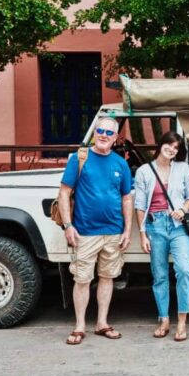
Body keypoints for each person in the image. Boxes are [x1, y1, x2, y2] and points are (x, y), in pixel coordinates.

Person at [59, 117, 132, 345]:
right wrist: (68, 225)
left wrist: (127, 230)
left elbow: (127, 198)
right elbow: (64, 193)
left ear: (115, 137)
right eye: (100, 130)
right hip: (85, 231)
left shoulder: (121, 163)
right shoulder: (79, 159)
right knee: (82, 279)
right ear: (94, 133)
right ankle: (80, 325)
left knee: (107, 277)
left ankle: (102, 323)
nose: (103, 135)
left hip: (113, 231)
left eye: (109, 132)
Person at [134, 131, 189, 342]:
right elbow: (140, 205)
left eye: (176, 147)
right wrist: (142, 233)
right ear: (161, 144)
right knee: (159, 275)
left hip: (178, 225)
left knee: (184, 270)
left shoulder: (182, 168)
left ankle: (181, 321)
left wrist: (182, 209)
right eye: (169, 144)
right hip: (155, 225)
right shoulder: (144, 170)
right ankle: (164, 319)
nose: (171, 149)